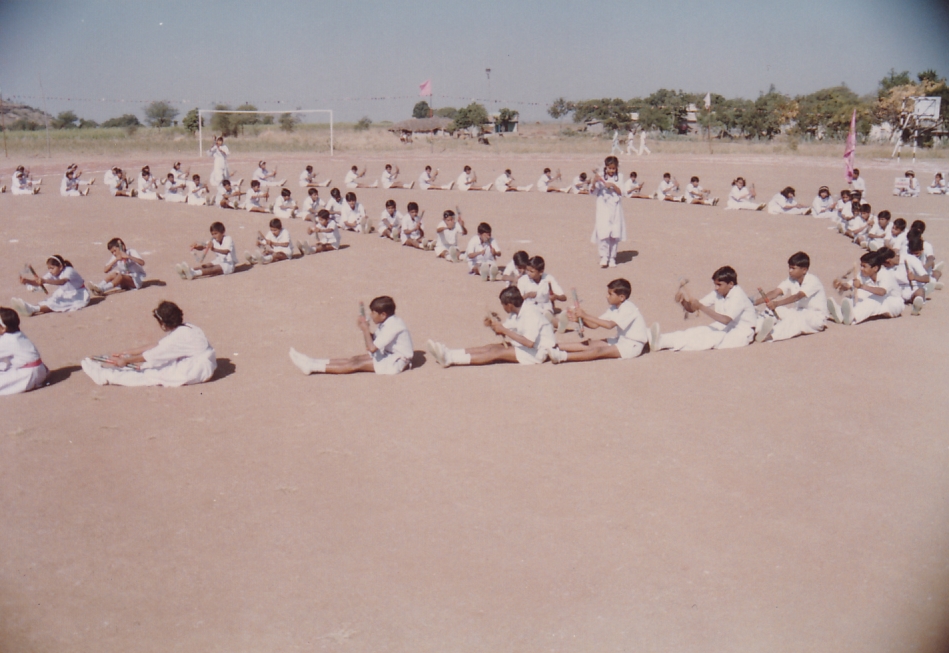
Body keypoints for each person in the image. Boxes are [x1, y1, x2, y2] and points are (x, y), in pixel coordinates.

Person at [81, 301, 216, 387]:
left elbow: (151, 355)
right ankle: (106, 371)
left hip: (196, 370)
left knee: (150, 374)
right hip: (199, 363)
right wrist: (127, 352)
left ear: (163, 324)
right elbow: (157, 345)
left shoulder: (177, 337)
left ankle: (105, 376)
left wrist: (126, 361)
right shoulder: (187, 327)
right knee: (152, 366)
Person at [426, 286, 567, 367]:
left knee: (496, 353)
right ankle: (450, 352)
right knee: (491, 347)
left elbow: (529, 342)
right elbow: (504, 328)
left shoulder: (530, 313)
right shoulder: (518, 312)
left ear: (509, 305)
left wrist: (504, 330)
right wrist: (493, 325)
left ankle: (451, 359)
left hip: (538, 352)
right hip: (530, 348)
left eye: (503, 305)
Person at [289, 296, 414, 375]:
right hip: (388, 355)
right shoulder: (387, 322)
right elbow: (372, 341)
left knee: (356, 364)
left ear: (383, 315)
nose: (371, 315)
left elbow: (371, 348)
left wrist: (365, 330)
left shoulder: (393, 326)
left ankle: (313, 367)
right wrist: (364, 329)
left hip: (396, 362)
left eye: (373, 313)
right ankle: (311, 361)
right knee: (355, 359)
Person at [650, 266, 756, 352]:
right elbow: (693, 308)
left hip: (741, 333)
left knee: (707, 339)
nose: (716, 288)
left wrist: (701, 307)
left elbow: (726, 320)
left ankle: (663, 343)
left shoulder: (738, 296)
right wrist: (683, 301)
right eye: (715, 284)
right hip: (724, 327)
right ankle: (658, 339)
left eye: (719, 285)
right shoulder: (718, 292)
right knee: (696, 331)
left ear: (731, 284)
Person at [557, 278, 649, 361]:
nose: (607, 296)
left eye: (610, 294)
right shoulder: (614, 308)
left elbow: (609, 325)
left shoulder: (628, 308)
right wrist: (579, 319)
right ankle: (554, 347)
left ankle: (561, 356)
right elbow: (595, 325)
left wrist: (585, 315)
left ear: (621, 297)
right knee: (590, 344)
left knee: (598, 351)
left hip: (633, 345)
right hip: (621, 339)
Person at [751, 251, 827, 343]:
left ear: (804, 270)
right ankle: (755, 328)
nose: (790, 271)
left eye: (793, 268)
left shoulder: (813, 281)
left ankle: (771, 335)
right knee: (777, 310)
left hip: (816, 318)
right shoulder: (791, 279)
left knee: (794, 320)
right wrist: (754, 302)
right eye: (789, 268)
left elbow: (797, 296)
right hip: (799, 311)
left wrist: (776, 303)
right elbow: (775, 293)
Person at [829, 251, 903, 325]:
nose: (861, 269)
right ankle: (841, 313)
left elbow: (882, 292)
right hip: (880, 300)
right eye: (861, 266)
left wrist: (861, 286)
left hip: (893, 304)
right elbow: (849, 285)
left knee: (874, 299)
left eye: (864, 266)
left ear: (875, 268)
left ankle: (853, 317)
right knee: (859, 294)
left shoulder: (886, 275)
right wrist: (841, 285)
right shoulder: (863, 274)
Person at [12, 255, 91, 317]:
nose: (50, 271)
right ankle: (31, 308)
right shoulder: (52, 273)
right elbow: (39, 282)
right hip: (64, 292)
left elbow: (62, 282)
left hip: (78, 294)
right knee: (50, 301)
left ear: (60, 267)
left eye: (52, 268)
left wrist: (45, 281)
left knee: (56, 304)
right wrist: (27, 281)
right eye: (49, 268)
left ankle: (33, 309)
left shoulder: (69, 270)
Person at [0, 305, 48, 395]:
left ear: (3, 328)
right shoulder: (18, 334)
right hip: (40, 370)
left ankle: (33, 383)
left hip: (28, 374)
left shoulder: (7, 340)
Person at [590, 156, 626, 269]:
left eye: (613, 168)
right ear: (606, 167)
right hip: (603, 207)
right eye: (609, 168)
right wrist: (594, 181)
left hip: (615, 208)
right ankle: (604, 257)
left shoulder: (620, 177)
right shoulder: (600, 176)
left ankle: (612, 257)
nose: (611, 170)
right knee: (603, 232)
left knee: (614, 233)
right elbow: (593, 191)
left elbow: (621, 192)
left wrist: (613, 186)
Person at [517, 256, 567, 328]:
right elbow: (517, 301)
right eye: (527, 270)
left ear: (541, 272)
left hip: (545, 307)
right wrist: (527, 295)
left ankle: (559, 324)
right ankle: (557, 324)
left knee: (546, 315)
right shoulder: (522, 280)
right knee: (535, 317)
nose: (528, 273)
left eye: (532, 271)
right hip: (529, 307)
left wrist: (556, 297)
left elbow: (564, 297)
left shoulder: (548, 278)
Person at [881, 241, 928, 314]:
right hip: (897, 293)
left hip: (912, 290)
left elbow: (927, 278)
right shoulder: (886, 269)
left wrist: (914, 277)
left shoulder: (910, 259)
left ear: (888, 261)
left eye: (884, 264)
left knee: (920, 291)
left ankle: (916, 306)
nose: (884, 266)